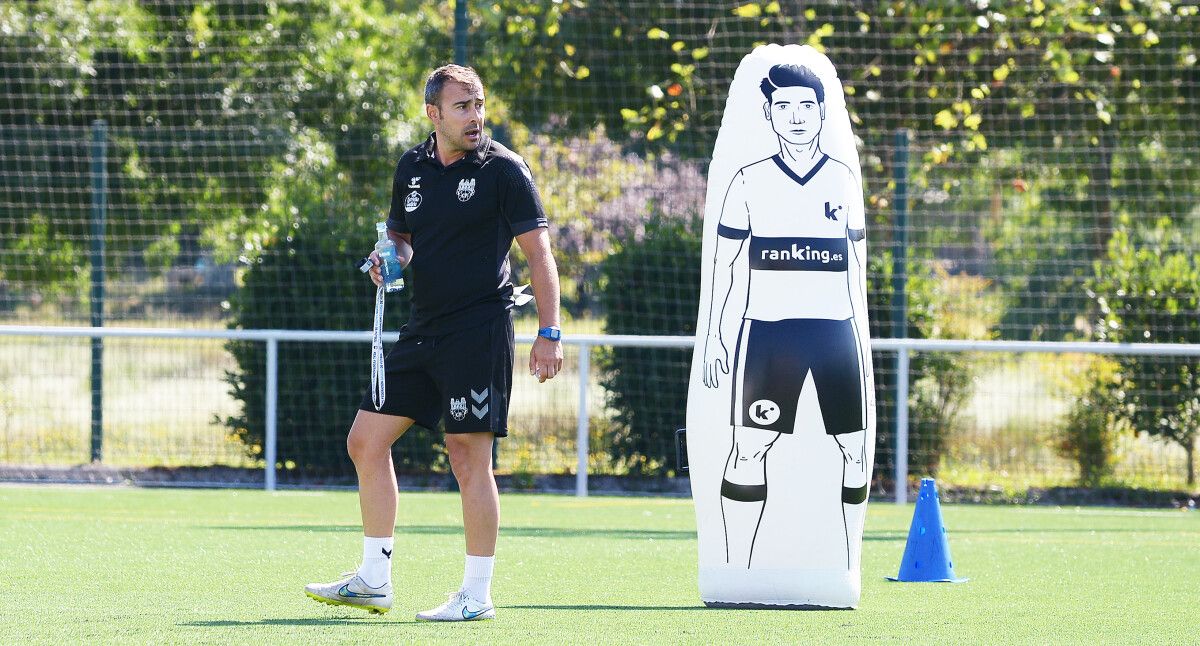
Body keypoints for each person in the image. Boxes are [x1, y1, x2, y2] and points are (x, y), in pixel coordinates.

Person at [304, 64, 563, 621]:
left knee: (469, 458)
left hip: (480, 329)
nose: (475, 117)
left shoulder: (504, 170)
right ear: (433, 114)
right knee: (364, 441)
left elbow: (539, 256)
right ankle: (374, 579)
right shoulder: (412, 168)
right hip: (422, 329)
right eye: (463, 107)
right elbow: (402, 235)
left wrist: (549, 332)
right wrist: (389, 257)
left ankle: (476, 594)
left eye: (479, 105)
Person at [701, 63, 870, 569]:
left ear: (821, 113)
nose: (795, 117)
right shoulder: (748, 181)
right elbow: (724, 264)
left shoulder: (842, 180)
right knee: (749, 448)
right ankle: (737, 567)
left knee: (855, 451)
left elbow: (858, 266)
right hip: (770, 337)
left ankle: (845, 563)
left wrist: (861, 341)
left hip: (835, 335)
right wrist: (714, 335)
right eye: (783, 107)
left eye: (805, 106)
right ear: (769, 115)